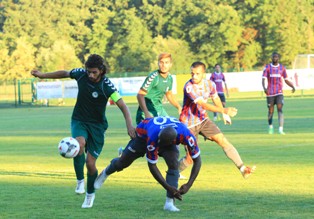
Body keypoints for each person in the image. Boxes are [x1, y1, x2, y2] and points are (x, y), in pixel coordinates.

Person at [31, 54, 136, 208]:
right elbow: (65, 73)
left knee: (90, 163)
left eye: (94, 72)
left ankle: (90, 194)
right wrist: (42, 75)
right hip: (79, 120)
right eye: (89, 72)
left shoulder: (107, 85)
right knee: (78, 144)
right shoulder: (81, 75)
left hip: (98, 127)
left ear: (101, 70)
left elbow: (123, 105)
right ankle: (80, 181)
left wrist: (129, 125)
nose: (90, 75)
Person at [94, 116, 201, 212]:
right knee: (123, 163)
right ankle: (106, 172)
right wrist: (168, 187)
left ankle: (169, 203)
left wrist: (189, 184)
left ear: (174, 140)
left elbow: (198, 160)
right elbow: (152, 166)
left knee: (173, 163)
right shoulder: (153, 136)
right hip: (143, 137)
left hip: (165, 137)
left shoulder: (186, 135)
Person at [178, 61, 255, 178]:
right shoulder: (189, 87)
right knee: (190, 158)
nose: (194, 76)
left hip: (203, 121)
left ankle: (243, 169)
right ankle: (173, 173)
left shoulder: (210, 84)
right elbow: (203, 105)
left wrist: (223, 113)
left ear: (203, 73)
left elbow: (216, 98)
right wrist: (223, 111)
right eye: (192, 73)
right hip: (188, 125)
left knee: (223, 141)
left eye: (197, 74)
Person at [136, 53, 182, 125]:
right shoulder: (153, 77)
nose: (164, 65)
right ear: (158, 63)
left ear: (170, 64)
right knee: (149, 135)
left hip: (159, 110)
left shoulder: (170, 78)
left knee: (171, 129)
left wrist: (179, 107)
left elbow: (169, 94)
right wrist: (146, 113)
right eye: (161, 62)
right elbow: (140, 95)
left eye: (166, 62)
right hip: (147, 111)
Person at [262, 52, 295, 135]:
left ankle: (281, 129)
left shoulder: (282, 68)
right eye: (273, 57)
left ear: (279, 58)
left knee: (280, 109)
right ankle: (270, 127)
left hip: (279, 92)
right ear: (271, 58)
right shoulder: (267, 68)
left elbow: (286, 79)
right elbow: (263, 79)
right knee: (270, 111)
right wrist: (264, 88)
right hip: (270, 93)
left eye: (276, 57)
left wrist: (292, 86)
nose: (275, 58)